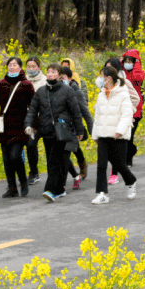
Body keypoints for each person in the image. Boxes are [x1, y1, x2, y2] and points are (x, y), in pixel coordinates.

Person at [24, 63, 85, 202]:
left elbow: (76, 112)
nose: (50, 74)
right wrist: (28, 125)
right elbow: (33, 110)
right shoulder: (41, 91)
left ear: (59, 75)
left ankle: (51, 190)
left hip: (63, 131)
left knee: (54, 161)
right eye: (48, 72)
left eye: (53, 72)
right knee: (60, 162)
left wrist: (79, 130)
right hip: (47, 132)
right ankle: (61, 188)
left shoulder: (67, 91)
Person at [0, 57, 36, 198]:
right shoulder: (2, 84)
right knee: (6, 159)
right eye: (10, 65)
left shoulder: (26, 85)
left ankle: (23, 181)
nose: (12, 67)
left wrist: (33, 124)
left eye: (14, 65)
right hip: (4, 127)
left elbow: (33, 106)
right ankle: (12, 188)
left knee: (15, 156)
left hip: (20, 127)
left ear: (20, 67)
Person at [90, 65, 137, 204]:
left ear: (108, 78)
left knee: (119, 164)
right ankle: (102, 193)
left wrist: (119, 130)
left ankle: (131, 181)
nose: (100, 79)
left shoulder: (123, 94)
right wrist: (95, 135)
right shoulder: (101, 94)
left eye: (102, 76)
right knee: (101, 165)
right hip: (103, 135)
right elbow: (97, 115)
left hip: (118, 135)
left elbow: (127, 114)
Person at [60, 66, 93, 190]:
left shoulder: (76, 91)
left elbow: (86, 113)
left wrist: (92, 131)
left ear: (69, 78)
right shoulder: (55, 90)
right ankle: (74, 175)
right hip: (59, 127)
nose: (60, 80)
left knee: (66, 152)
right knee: (63, 153)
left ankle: (61, 185)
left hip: (73, 127)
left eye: (62, 78)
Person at [120, 49, 145, 167]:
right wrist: (120, 64)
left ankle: (128, 159)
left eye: (131, 61)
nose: (128, 63)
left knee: (130, 135)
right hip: (123, 107)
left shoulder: (139, 73)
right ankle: (130, 152)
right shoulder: (121, 73)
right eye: (126, 61)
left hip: (136, 108)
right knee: (125, 134)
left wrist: (137, 65)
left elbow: (137, 78)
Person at [24, 57, 46, 186]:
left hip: (44, 118)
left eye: (33, 66)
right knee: (31, 145)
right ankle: (34, 173)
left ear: (39, 67)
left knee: (52, 147)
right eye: (29, 66)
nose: (31, 69)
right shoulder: (24, 80)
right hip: (31, 119)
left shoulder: (45, 81)